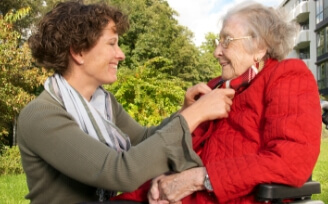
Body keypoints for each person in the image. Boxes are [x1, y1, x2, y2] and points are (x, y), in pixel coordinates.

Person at [16, 1, 236, 203]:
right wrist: (195, 114)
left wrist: (184, 111)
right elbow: (117, 172)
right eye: (112, 44)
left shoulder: (103, 102)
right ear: (79, 52)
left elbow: (143, 141)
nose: (120, 54)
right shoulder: (41, 115)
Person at [112, 1, 322, 204]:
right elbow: (176, 146)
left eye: (227, 41)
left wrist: (196, 179)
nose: (216, 52)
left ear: (260, 47)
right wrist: (161, 181)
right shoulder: (215, 86)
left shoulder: (287, 76)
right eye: (218, 42)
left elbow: (291, 161)